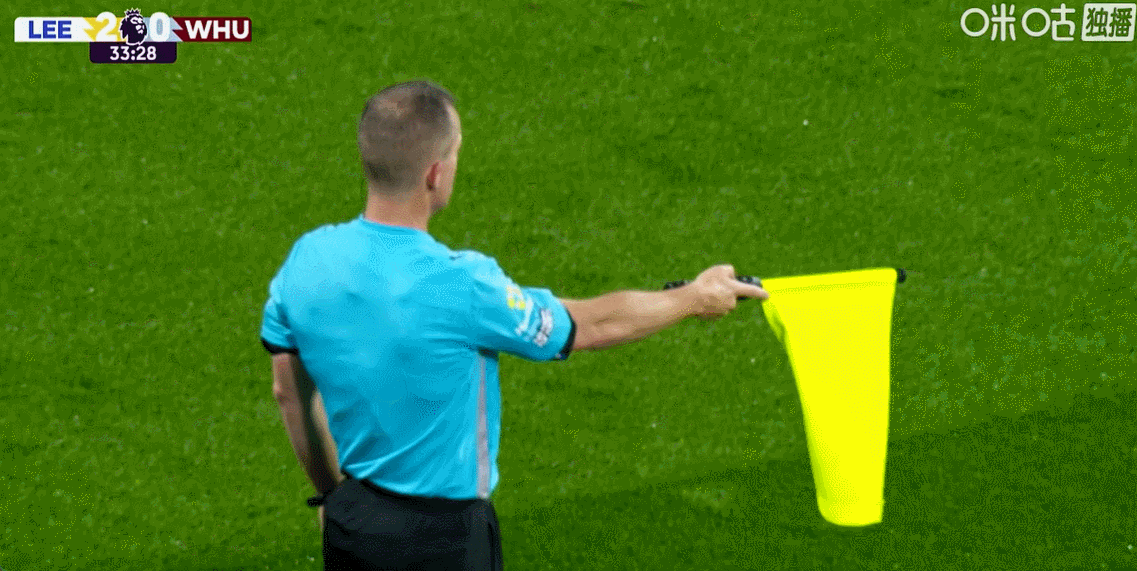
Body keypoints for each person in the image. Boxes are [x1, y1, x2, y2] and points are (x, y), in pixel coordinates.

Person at [260, 79, 769, 571]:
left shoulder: (306, 260)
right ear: (435, 173)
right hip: (445, 540)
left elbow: (290, 394)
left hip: (353, 523)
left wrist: (330, 495)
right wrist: (693, 298)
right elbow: (588, 326)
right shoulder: (463, 284)